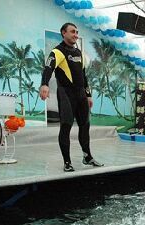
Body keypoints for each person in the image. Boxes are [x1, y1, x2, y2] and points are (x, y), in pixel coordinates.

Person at [40, 22, 103, 172]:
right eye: (72, 32)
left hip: (81, 94)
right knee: (66, 126)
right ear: (63, 33)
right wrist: (44, 84)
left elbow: (83, 76)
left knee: (85, 126)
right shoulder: (57, 51)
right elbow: (48, 68)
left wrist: (88, 94)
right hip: (66, 93)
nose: (76, 34)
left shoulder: (78, 53)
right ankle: (67, 162)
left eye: (77, 32)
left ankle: (87, 157)